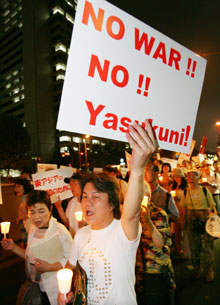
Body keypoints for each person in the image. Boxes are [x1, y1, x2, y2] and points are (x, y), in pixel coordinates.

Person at [58, 119, 157, 305]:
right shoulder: (80, 235)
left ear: (112, 204)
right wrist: (66, 289)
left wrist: (137, 170)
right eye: (85, 196)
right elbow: (70, 266)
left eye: (96, 197)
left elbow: (133, 214)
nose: (87, 202)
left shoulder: (123, 232)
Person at [1, 190, 73, 305]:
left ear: (50, 209)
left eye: (41, 211)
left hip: (59, 288)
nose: (36, 217)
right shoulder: (33, 230)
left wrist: (49, 267)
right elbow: (30, 257)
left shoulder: (60, 231)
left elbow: (72, 260)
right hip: (40, 287)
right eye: (32, 212)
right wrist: (13, 247)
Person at [135, 201, 176, 305]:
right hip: (137, 271)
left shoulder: (158, 213)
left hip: (156, 270)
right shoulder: (128, 215)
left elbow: (160, 243)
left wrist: (147, 220)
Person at [180, 170, 216, 282]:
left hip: (204, 221)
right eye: (189, 177)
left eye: (193, 176)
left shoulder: (204, 190)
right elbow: (184, 208)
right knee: (194, 248)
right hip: (192, 222)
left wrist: (208, 210)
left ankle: (210, 270)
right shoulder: (185, 192)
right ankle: (198, 268)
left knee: (207, 247)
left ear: (198, 178)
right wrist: (183, 223)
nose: (191, 179)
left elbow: (212, 205)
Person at [54, 173, 86, 237]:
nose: (71, 187)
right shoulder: (72, 202)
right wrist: (59, 207)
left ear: (83, 185)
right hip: (74, 241)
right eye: (70, 184)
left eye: (74, 183)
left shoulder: (90, 204)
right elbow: (67, 223)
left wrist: (88, 225)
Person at [170, 168, 190, 258]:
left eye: (178, 177)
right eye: (175, 177)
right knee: (177, 231)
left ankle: (186, 251)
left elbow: (188, 199)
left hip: (183, 209)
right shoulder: (173, 186)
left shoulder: (186, 187)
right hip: (175, 209)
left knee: (184, 231)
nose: (176, 179)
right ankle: (178, 250)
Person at [14, 178, 33, 248]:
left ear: (25, 187)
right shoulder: (24, 198)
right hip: (26, 227)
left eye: (18, 186)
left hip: (29, 228)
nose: (16, 189)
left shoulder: (28, 199)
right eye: (15, 186)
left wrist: (19, 218)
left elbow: (29, 214)